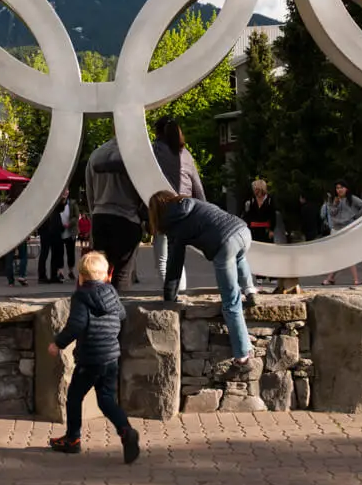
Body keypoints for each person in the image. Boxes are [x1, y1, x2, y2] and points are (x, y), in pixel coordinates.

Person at [47, 251, 141, 463]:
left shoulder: (81, 296)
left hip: (90, 358)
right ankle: (126, 431)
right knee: (106, 399)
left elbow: (76, 325)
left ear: (81, 277)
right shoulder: (111, 292)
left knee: (74, 397)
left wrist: (58, 344)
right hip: (111, 356)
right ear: (106, 275)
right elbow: (122, 315)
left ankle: (72, 439)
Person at [150, 190, 257, 364]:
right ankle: (250, 289)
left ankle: (242, 354)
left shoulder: (173, 224)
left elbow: (174, 264)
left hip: (224, 243)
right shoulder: (192, 202)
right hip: (243, 230)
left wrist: (170, 296)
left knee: (230, 302)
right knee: (240, 256)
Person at [151, 116, 205, 293]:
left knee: (163, 257)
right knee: (178, 255)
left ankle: (171, 293)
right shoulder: (186, 154)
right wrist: (203, 209)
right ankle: (181, 292)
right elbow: (197, 185)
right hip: (186, 209)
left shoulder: (155, 150)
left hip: (164, 208)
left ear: (157, 132)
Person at [85, 138, 144, 292]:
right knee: (122, 274)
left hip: (100, 216)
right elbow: (143, 190)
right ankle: (118, 311)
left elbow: (89, 191)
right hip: (127, 218)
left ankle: (99, 310)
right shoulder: (136, 154)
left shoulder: (96, 154)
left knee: (97, 272)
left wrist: (94, 215)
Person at [322, 180, 362, 285]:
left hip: (347, 228)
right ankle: (331, 277)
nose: (339, 190)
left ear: (346, 188)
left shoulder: (351, 199)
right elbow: (332, 213)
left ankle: (355, 279)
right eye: (337, 188)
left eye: (341, 188)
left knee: (348, 253)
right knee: (336, 254)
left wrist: (356, 217)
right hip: (335, 228)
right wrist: (335, 204)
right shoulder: (333, 200)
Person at [38, 188, 70, 283]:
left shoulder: (53, 197)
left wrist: (63, 199)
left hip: (54, 227)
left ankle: (53, 275)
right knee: (45, 252)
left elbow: (60, 208)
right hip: (47, 228)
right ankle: (42, 276)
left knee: (55, 252)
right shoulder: (43, 199)